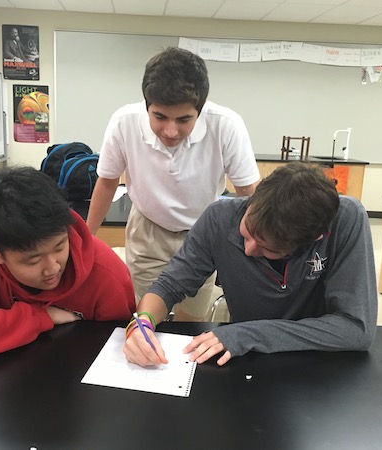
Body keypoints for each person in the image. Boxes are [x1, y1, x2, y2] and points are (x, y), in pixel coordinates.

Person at [123, 162, 378, 367]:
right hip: (246, 363)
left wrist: (247, 334)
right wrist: (142, 323)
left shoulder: (345, 220)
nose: (248, 249)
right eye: (246, 232)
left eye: (268, 248)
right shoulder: (219, 219)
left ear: (312, 240)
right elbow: (169, 286)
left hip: (319, 363)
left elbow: (355, 329)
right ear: (254, 199)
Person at [87, 47, 259, 321]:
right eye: (160, 117)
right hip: (148, 229)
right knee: (146, 315)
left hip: (202, 232)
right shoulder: (124, 122)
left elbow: (248, 194)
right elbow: (107, 182)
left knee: (191, 318)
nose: (170, 131)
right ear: (147, 105)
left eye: (183, 120)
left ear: (200, 110)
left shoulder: (227, 125)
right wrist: (87, 239)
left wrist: (250, 249)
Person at [0, 166, 136, 369]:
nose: (52, 268)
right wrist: (41, 315)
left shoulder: (106, 272)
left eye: (60, 247)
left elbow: (119, 351)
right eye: (33, 260)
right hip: (1, 383)